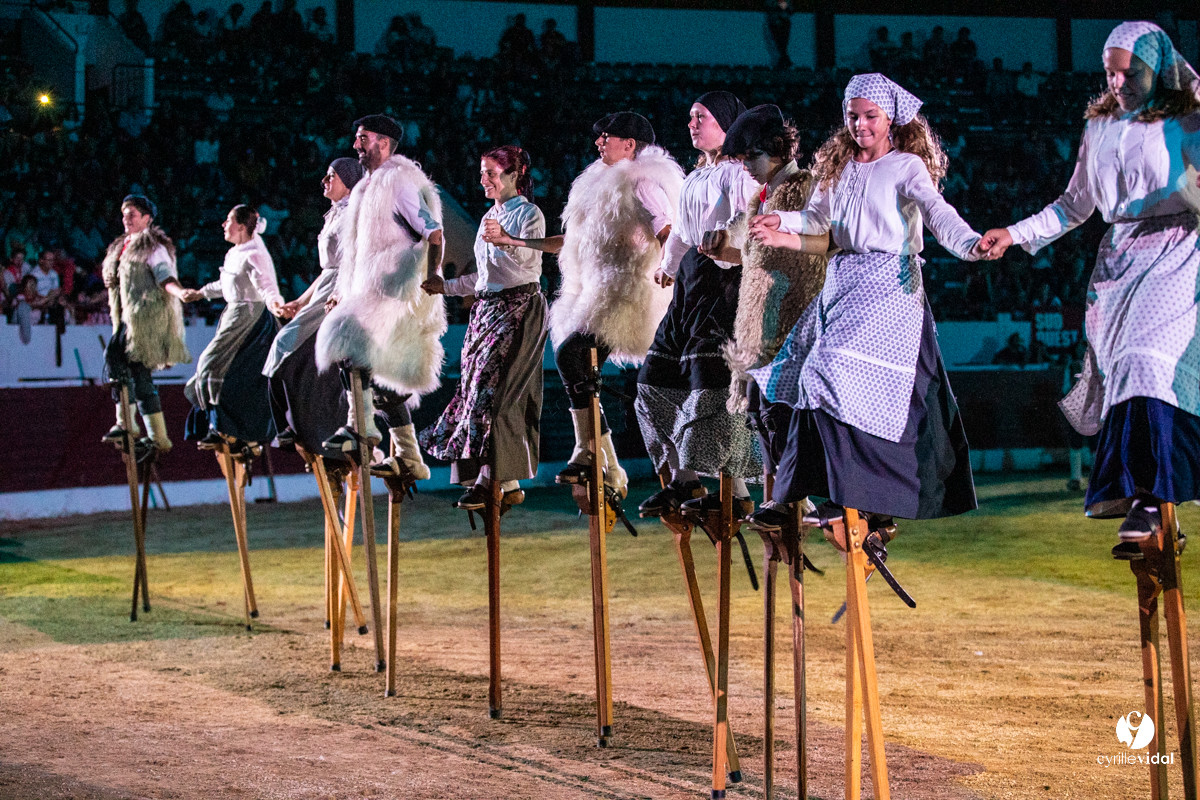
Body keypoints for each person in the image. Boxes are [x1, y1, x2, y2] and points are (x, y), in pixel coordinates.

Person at [978, 22, 1200, 546]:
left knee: (1149, 363)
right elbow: (1074, 205)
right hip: (1118, 261)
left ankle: (1151, 496)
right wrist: (1015, 233)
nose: (1119, 81)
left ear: (1158, 67)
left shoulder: (1188, 118)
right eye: (1110, 72)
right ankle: (1135, 495)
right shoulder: (1100, 126)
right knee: (1123, 371)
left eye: (1131, 72)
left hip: (1178, 247)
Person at [748, 73, 986, 530]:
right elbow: (818, 219)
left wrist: (970, 244)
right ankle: (792, 496)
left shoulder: (906, 166)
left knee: (827, 372)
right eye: (852, 116)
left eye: (869, 116)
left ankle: (855, 496)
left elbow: (939, 213)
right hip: (841, 280)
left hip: (889, 283)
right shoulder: (838, 166)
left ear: (890, 117)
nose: (859, 125)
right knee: (788, 380)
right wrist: (781, 221)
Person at [483, 112, 684, 498]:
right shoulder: (598, 186)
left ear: (630, 144)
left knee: (573, 356)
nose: (598, 143)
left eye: (606, 137)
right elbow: (572, 242)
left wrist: (668, 268)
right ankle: (604, 461)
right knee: (573, 360)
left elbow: (668, 230)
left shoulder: (640, 182)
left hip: (624, 291)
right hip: (594, 290)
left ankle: (591, 452)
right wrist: (516, 242)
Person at [634, 91, 761, 519]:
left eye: (701, 117)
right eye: (690, 116)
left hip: (723, 282)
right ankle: (683, 481)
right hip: (690, 283)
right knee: (654, 379)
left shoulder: (737, 174)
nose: (692, 123)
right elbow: (682, 234)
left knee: (711, 381)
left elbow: (750, 218)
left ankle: (736, 489)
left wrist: (727, 239)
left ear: (726, 124)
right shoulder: (694, 178)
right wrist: (668, 268)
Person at [315, 114, 445, 482]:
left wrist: (430, 276)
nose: (356, 145)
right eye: (357, 138)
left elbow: (434, 234)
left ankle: (362, 431)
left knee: (348, 344)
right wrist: (342, 293)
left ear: (384, 143)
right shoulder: (366, 189)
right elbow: (356, 255)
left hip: (396, 292)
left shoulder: (398, 183)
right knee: (384, 381)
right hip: (369, 289)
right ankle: (408, 455)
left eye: (363, 138)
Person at [420, 146, 547, 509]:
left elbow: (527, 260)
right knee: (474, 391)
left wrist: (504, 239)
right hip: (487, 310)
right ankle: (495, 481)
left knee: (498, 393)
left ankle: (496, 478)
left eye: (492, 172)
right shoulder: (489, 217)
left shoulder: (528, 213)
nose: (484, 179)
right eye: (482, 172)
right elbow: (484, 278)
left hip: (518, 307)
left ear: (514, 175)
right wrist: (445, 286)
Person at [717, 105, 828, 523]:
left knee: (777, 409)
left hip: (790, 313)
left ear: (777, 149)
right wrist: (723, 251)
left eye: (751, 157)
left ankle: (797, 498)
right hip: (757, 317)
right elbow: (754, 256)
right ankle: (785, 496)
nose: (745, 166)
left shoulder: (805, 187)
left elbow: (822, 241)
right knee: (759, 413)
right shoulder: (759, 196)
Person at [263, 158, 364, 452]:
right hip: (327, 284)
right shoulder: (333, 214)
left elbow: (351, 263)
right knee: (285, 344)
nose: (325, 180)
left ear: (348, 182)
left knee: (285, 343)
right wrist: (300, 300)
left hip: (340, 288)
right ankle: (289, 424)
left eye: (331, 176)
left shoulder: (351, 216)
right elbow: (326, 269)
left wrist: (342, 293)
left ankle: (288, 426)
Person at [180, 204, 284, 446]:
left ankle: (220, 426)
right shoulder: (236, 252)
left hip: (248, 317)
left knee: (211, 364)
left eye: (228, 220)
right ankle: (219, 426)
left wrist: (276, 303)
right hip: (234, 314)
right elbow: (226, 283)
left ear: (241, 226)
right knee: (215, 368)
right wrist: (200, 293)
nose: (223, 225)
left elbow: (266, 285)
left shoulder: (255, 252)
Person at [100, 195, 192, 452]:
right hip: (125, 317)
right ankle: (159, 437)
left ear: (147, 218)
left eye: (132, 215)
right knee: (140, 376)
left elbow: (164, 276)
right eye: (124, 214)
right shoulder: (122, 246)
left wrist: (179, 292)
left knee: (114, 356)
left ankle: (126, 423)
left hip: (145, 319)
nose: (126, 219)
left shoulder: (153, 246)